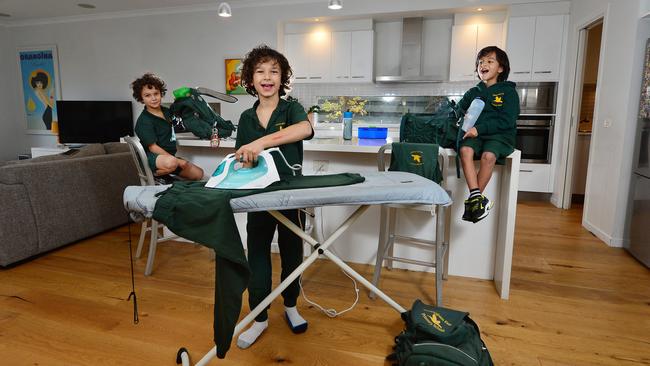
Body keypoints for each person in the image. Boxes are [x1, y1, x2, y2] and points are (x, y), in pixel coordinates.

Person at [234, 45, 314, 349]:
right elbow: (246, 159)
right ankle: (260, 317)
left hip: (291, 194)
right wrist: (245, 157)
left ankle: (291, 305)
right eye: (260, 71)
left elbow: (305, 129)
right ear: (251, 80)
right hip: (258, 197)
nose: (267, 77)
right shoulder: (245, 117)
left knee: (293, 252)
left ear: (282, 78)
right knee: (257, 255)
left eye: (274, 71)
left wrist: (261, 142)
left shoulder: (292, 108)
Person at [457, 46, 519, 223]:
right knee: (465, 151)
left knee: (488, 156)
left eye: (490, 61)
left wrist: (479, 128)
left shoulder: (508, 92)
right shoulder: (474, 92)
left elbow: (507, 120)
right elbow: (460, 112)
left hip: (500, 136)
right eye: (481, 61)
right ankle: (477, 200)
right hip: (476, 136)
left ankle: (473, 202)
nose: (483, 64)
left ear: (500, 68)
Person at [130, 73, 204, 181]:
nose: (154, 98)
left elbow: (182, 120)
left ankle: (166, 175)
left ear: (161, 93)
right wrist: (178, 161)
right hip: (152, 158)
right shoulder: (144, 121)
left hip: (169, 157)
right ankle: (155, 176)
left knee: (198, 174)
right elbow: (153, 148)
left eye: (156, 93)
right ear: (141, 99)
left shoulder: (167, 111)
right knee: (172, 162)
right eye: (148, 95)